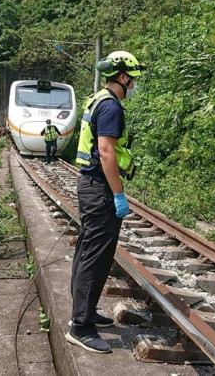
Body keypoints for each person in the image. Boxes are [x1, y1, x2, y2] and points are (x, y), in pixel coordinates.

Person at [66, 50, 145, 354]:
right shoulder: (112, 107)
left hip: (90, 185)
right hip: (100, 189)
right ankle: (80, 326)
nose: (134, 86)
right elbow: (107, 151)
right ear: (122, 77)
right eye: (133, 80)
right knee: (95, 256)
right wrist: (118, 194)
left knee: (88, 250)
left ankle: (85, 312)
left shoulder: (96, 98)